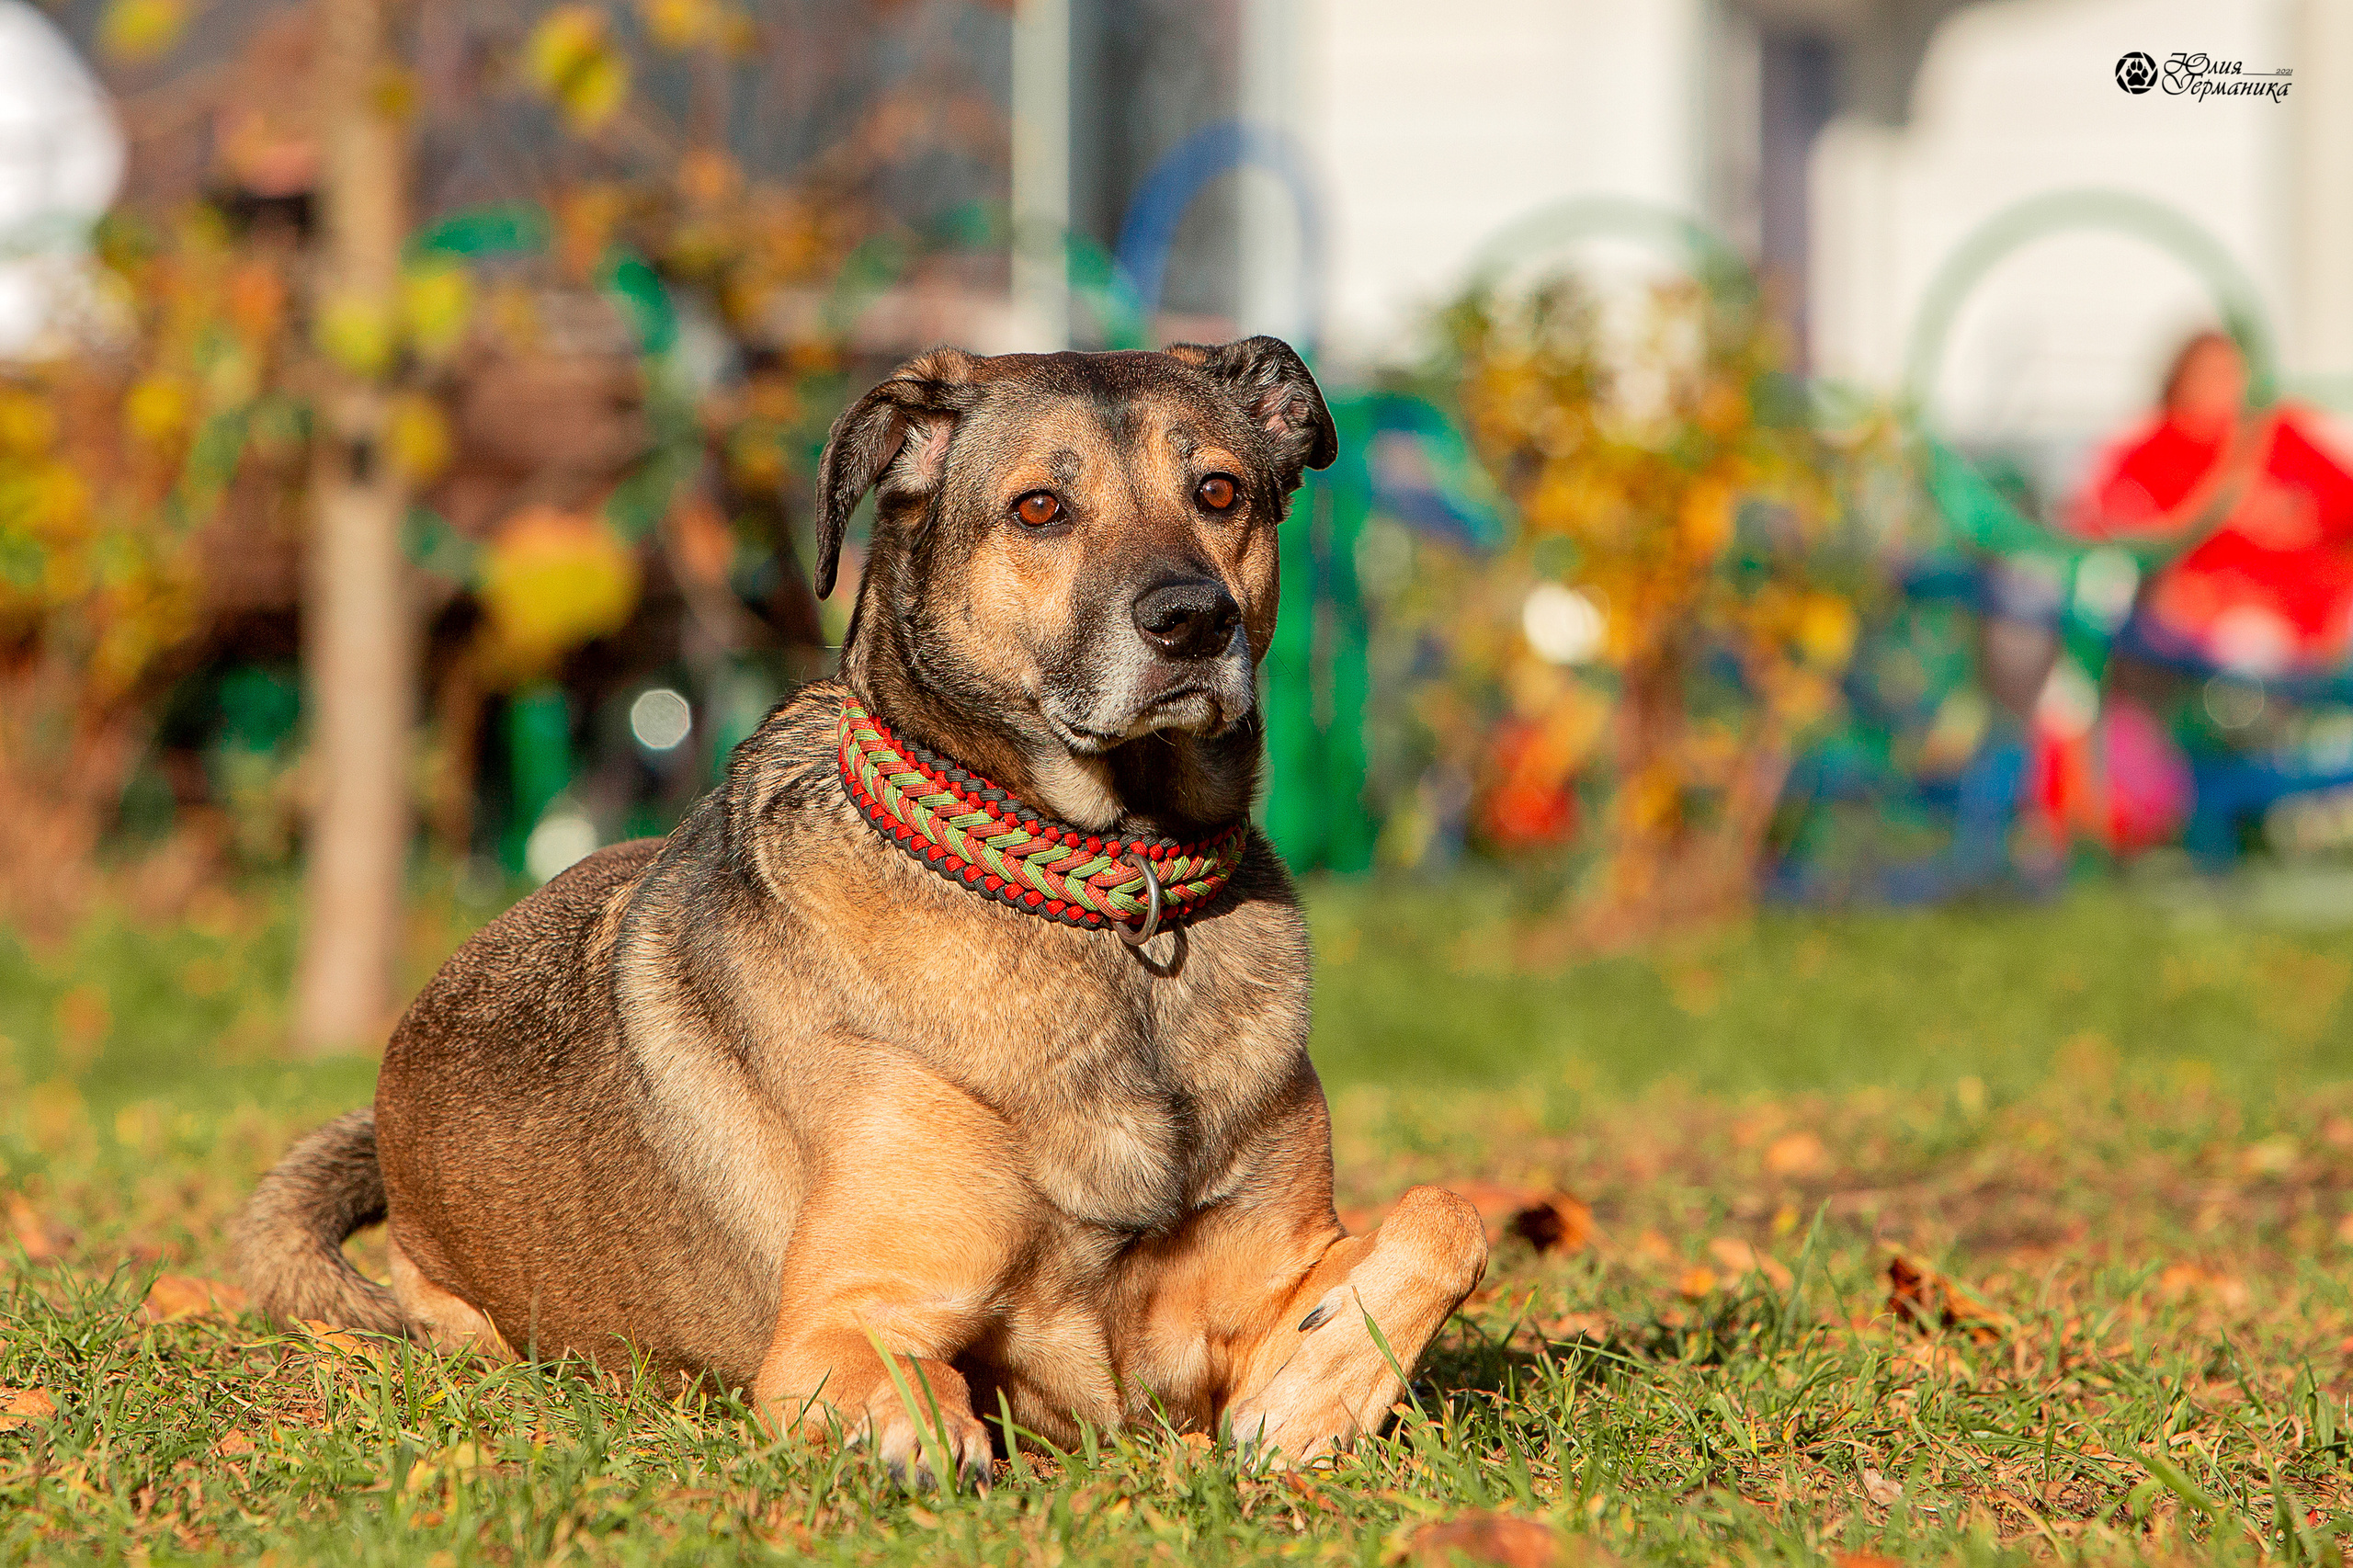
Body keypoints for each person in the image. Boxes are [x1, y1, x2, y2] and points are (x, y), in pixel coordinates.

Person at [2069, 330, 2353, 674]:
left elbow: (2339, 504)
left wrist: (2295, 514)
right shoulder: (2153, 449)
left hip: (2309, 611)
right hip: (2213, 617)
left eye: (2232, 374)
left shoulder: (2279, 433)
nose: (2223, 387)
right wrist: (2217, 512)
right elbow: (2109, 527)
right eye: (2208, 374)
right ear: (2180, 381)